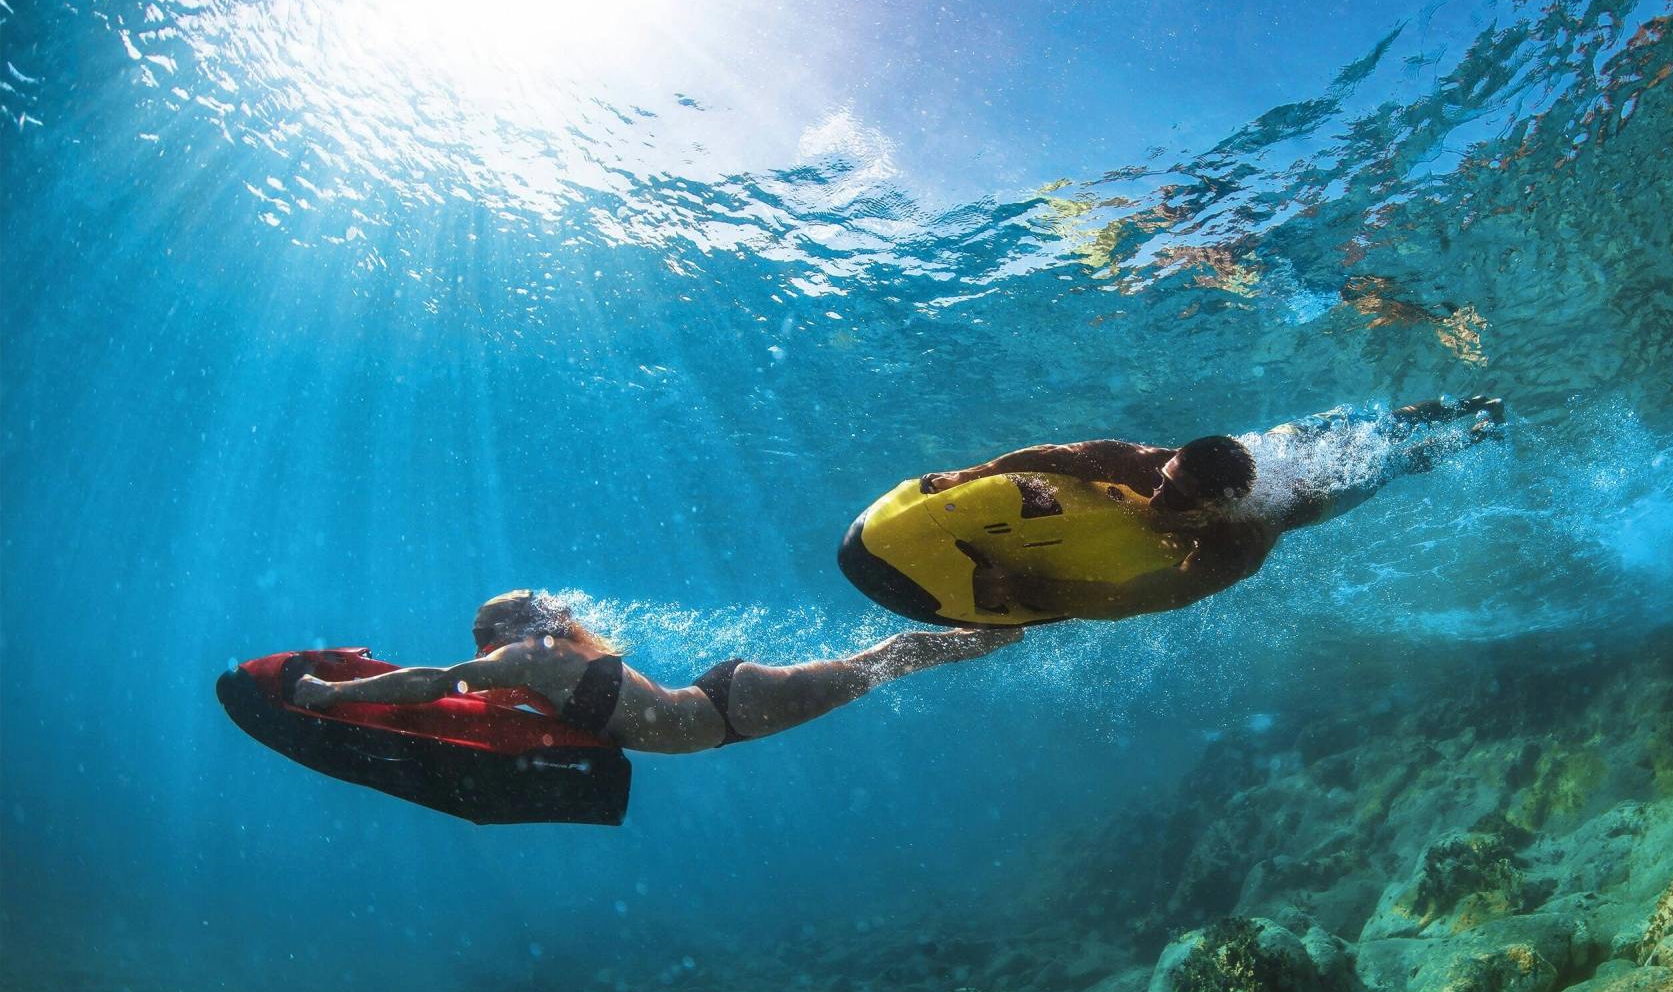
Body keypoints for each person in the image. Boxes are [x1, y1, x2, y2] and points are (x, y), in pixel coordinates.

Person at [916, 396, 1505, 620]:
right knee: (1346, 423)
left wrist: (1027, 587)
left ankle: (1468, 426)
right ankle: (1442, 405)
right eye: (1168, 481)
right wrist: (974, 475)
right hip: (1271, 447)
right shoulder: (1149, 463)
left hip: (1321, 489)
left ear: (1217, 509)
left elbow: (1144, 598)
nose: (1159, 495)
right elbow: (1058, 455)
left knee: (1385, 462)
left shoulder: (1241, 541)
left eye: (1179, 499)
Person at [292, 589, 1020, 752]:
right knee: (875, 667)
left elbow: (430, 681)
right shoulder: (540, 663)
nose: (475, 641)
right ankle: (980, 631)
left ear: (510, 632)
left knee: (879, 665)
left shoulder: (529, 657)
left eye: (481, 631)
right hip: (723, 705)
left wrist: (334, 691)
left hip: (733, 706)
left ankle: (986, 629)